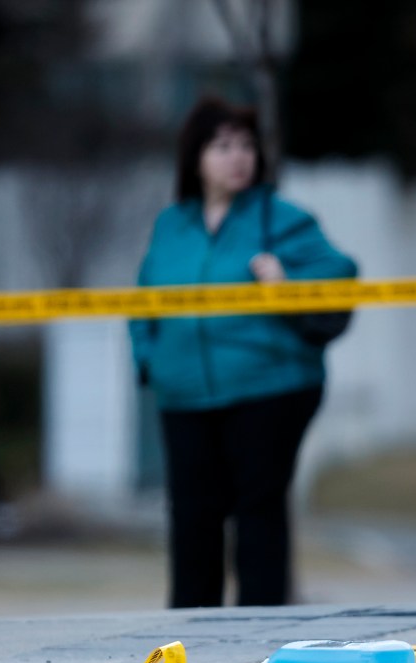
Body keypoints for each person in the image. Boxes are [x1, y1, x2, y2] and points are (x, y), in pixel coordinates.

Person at [130, 97, 358, 608]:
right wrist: (150, 362)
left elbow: (341, 274)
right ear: (195, 157)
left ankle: (260, 635)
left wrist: (288, 283)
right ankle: (188, 638)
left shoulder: (281, 219)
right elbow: (141, 302)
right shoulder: (171, 224)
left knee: (258, 513)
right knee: (192, 519)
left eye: (247, 146)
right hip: (184, 396)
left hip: (269, 389)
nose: (238, 157)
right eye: (223, 146)